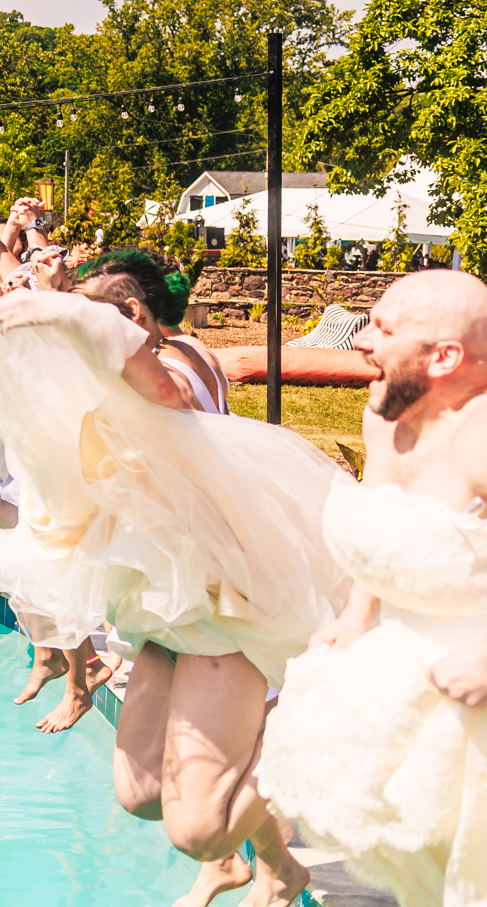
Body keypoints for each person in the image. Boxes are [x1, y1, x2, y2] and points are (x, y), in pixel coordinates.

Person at [0, 280, 347, 907]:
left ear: (131, 319)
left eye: (83, 325)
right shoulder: (96, 394)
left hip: (218, 612)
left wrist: (68, 311)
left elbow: (165, 398)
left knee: (198, 829)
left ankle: (318, 727)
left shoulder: (172, 373)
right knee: (140, 793)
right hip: (158, 612)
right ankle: (273, 866)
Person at [258, 270, 487, 907]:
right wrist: (358, 615)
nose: (361, 339)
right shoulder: (386, 416)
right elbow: (383, 517)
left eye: (383, 329)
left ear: (444, 357)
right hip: (410, 685)